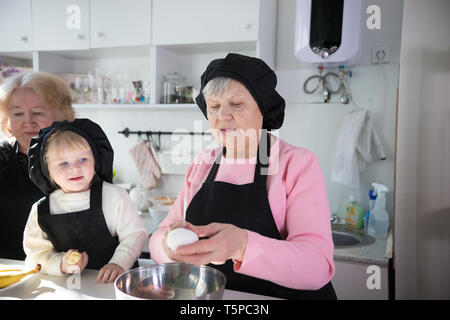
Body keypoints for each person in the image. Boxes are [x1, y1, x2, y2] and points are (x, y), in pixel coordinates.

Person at [149, 53, 337, 300]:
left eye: (236, 104)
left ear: (263, 109)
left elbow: (317, 266)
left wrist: (242, 246)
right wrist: (168, 247)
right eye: (214, 107)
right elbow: (159, 237)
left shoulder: (296, 163)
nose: (222, 116)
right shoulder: (204, 163)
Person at [24, 118, 148, 283]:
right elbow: (35, 255)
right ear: (47, 170)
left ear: (95, 160)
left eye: (82, 159)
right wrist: (60, 264)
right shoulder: (41, 211)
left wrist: (119, 263)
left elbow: (135, 234)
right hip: (67, 289)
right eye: (63, 163)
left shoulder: (115, 196)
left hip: (116, 284)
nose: (75, 168)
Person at [0, 72, 75, 260]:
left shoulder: (83, 156)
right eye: (17, 114)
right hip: (12, 273)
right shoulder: (2, 158)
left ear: (61, 115)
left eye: (38, 113)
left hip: (73, 272)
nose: (28, 122)